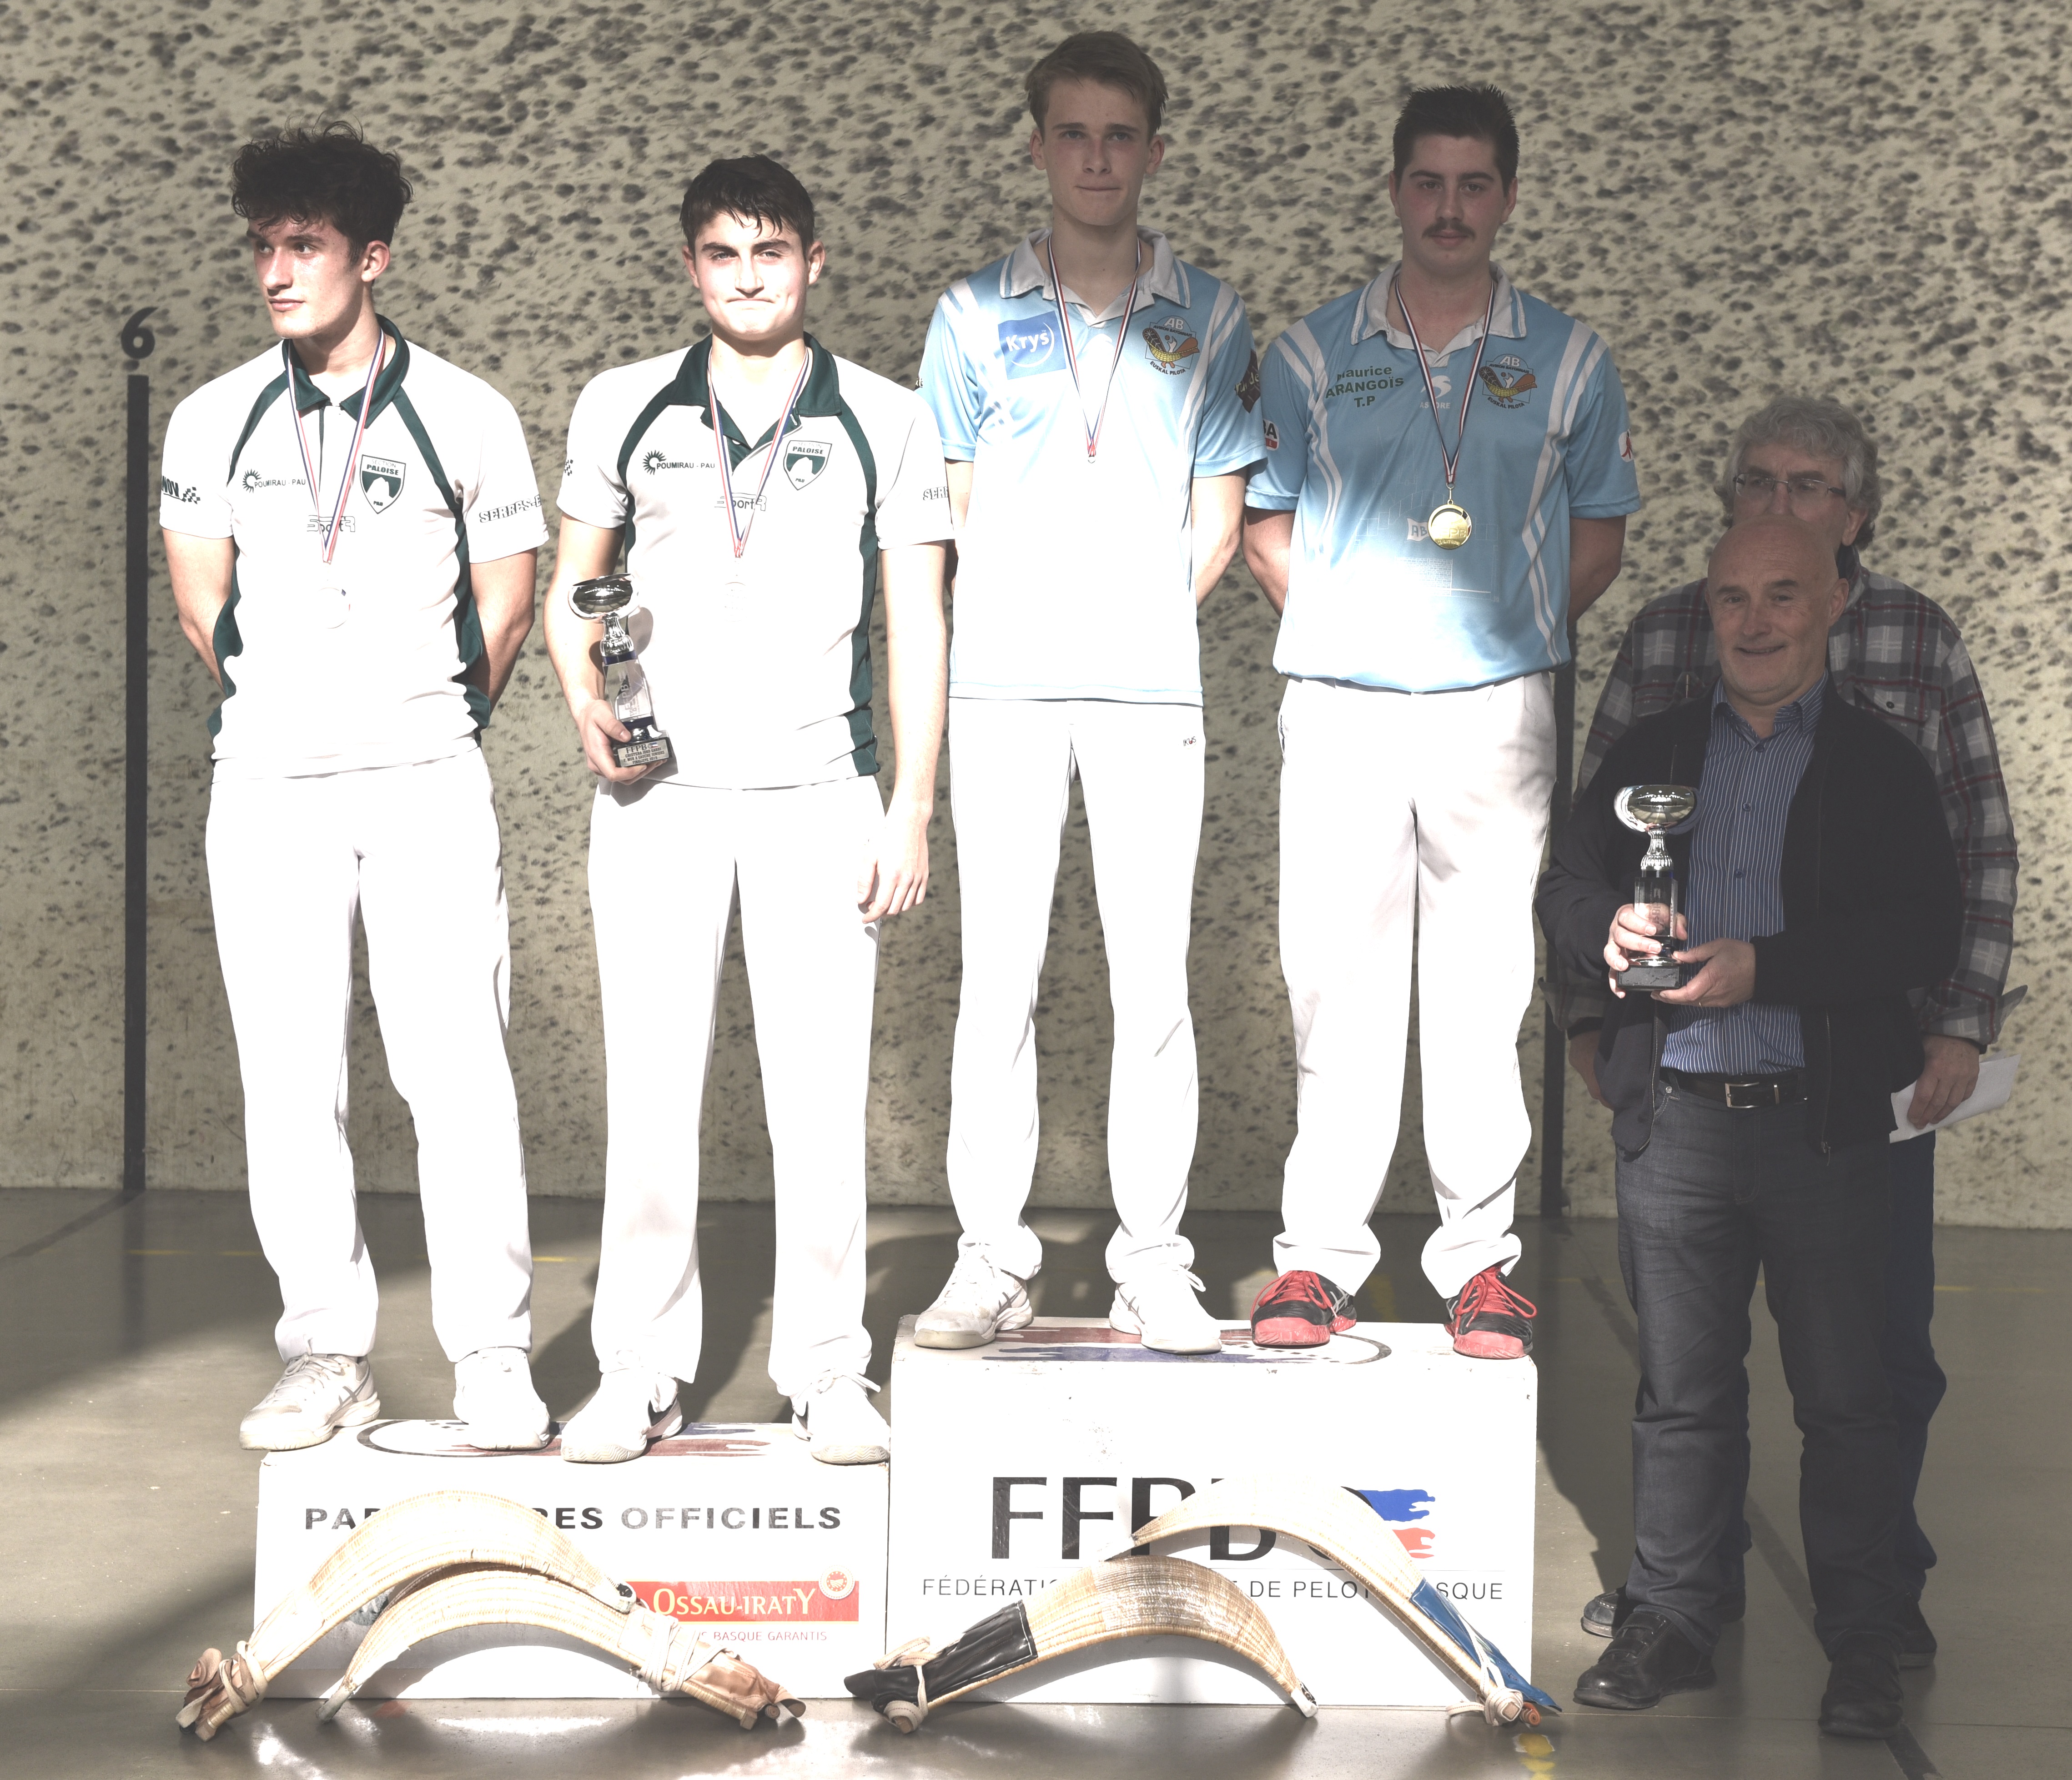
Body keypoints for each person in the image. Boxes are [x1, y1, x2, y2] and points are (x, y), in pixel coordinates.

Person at [1562, 397, 2017, 1664]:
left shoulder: (1917, 639)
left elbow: (1975, 846)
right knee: (1687, 1378)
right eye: (1755, 482)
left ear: (1853, 522)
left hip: (1864, 1074)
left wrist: (1961, 1022)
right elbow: (1595, 841)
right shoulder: (1671, 634)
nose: (1777, 506)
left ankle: (1877, 1593)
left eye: (1807, 488)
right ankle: (1683, 1595)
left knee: (1871, 1359)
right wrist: (1593, 1012)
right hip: (1687, 1085)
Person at [544, 156, 951, 1465]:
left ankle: (826, 1369)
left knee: (819, 1102)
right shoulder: (623, 403)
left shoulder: (887, 416)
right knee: (651, 1094)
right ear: (691, 267)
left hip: (820, 794)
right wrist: (585, 703)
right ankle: (638, 1367)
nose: (749, 276)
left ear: (814, 262)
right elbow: (574, 589)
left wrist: (911, 807)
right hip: (657, 795)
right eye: (723, 254)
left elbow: (918, 623)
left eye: (771, 252)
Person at [159, 125, 549, 1451]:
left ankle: (493, 1355)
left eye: (305, 245)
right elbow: (202, 603)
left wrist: (422, 716)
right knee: (289, 1077)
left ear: (370, 257)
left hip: (426, 777)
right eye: (262, 246)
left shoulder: (468, 411)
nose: (278, 270)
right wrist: (291, 710)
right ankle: (327, 1351)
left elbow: (507, 604)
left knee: (459, 1072)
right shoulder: (213, 415)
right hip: (269, 786)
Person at [1241, 84, 1639, 1357]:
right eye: (1428, 182)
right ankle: (1317, 1262)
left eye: (1474, 185)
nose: (1449, 208)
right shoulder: (1310, 353)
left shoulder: (1570, 358)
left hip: (1497, 710)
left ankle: (1478, 1264)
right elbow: (1263, 525)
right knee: (1335, 988)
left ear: (1507, 197)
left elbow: (1596, 538)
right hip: (1342, 707)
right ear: (1396, 191)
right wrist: (1357, 631)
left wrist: (1495, 634)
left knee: (1481, 994)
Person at [910, 31, 1263, 1355]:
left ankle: (1152, 1264)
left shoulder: (1212, 315)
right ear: (1039, 147)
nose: (1097, 158)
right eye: (1074, 133)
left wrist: (1129, 620)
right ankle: (989, 1259)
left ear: (1155, 153)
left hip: (1147, 694)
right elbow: (953, 508)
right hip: (1004, 691)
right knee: (995, 982)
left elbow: (1218, 520)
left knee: (1152, 985)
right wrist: (1034, 615)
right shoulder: (969, 313)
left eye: (1121, 136)